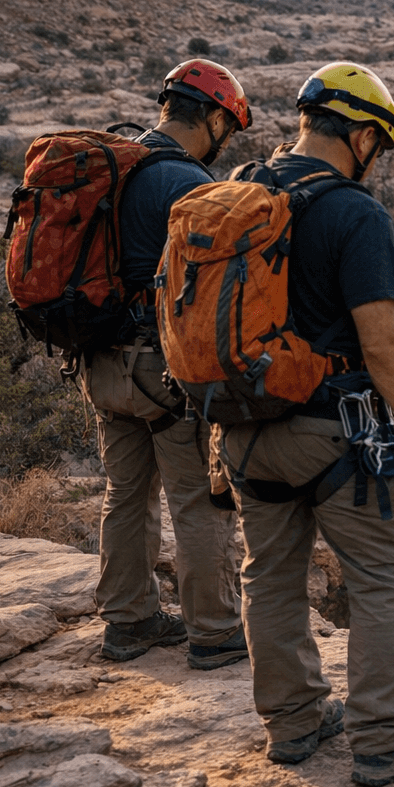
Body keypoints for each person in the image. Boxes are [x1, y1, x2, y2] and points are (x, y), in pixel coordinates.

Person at [219, 62, 394, 787]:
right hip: (335, 434)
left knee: (269, 577)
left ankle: (293, 724)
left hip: (241, 429)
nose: (376, 161)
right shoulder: (353, 212)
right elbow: (384, 342)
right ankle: (387, 735)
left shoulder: (242, 189)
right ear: (361, 134)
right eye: (378, 146)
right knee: (389, 577)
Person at [88, 59, 250, 669]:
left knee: (124, 492)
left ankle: (127, 623)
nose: (225, 139)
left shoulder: (118, 162)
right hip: (162, 369)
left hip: (100, 363)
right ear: (209, 116)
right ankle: (212, 630)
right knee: (196, 498)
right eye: (225, 126)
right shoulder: (185, 183)